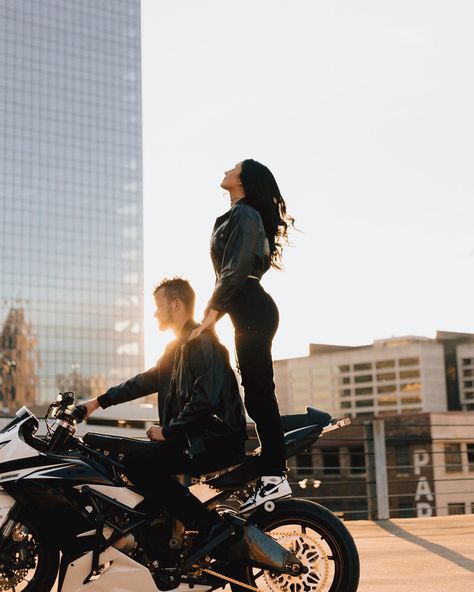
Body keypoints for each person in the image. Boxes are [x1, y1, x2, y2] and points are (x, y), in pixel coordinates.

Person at [81, 277, 247, 562]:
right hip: (193, 437)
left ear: (177, 304)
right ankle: (158, 532)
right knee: (122, 455)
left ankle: (207, 527)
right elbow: (144, 382)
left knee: (140, 463)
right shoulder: (176, 348)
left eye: (159, 306)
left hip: (215, 439)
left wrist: (169, 432)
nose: (155, 313)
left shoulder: (202, 341)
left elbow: (205, 398)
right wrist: (97, 402)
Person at [189, 159, 294, 512]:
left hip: (250, 307)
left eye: (232, 168)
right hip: (244, 308)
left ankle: (275, 475)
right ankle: (270, 466)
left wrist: (212, 311)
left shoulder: (246, 214)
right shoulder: (238, 214)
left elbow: (234, 269)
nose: (225, 170)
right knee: (255, 389)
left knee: (260, 389)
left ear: (243, 180)